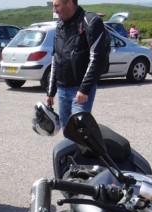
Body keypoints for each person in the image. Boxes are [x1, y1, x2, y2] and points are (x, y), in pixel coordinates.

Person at [45, 0, 110, 129]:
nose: (54, 10)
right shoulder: (60, 26)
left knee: (78, 131)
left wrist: (84, 89)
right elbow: (55, 58)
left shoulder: (91, 21)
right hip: (62, 89)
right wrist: (51, 91)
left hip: (79, 89)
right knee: (66, 130)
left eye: (57, 5)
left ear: (69, 3)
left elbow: (97, 58)